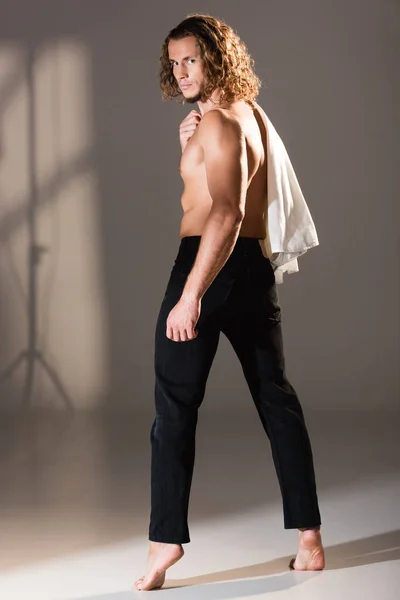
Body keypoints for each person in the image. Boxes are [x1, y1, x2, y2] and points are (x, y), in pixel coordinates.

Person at [134, 13, 325, 592]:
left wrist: (191, 295)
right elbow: (225, 190)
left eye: (191, 59)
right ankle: (310, 541)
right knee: (276, 398)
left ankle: (165, 540)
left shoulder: (220, 123)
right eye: (175, 63)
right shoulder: (247, 119)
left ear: (215, 57)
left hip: (207, 263)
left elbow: (225, 210)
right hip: (250, 268)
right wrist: (188, 147)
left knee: (173, 408)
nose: (182, 71)